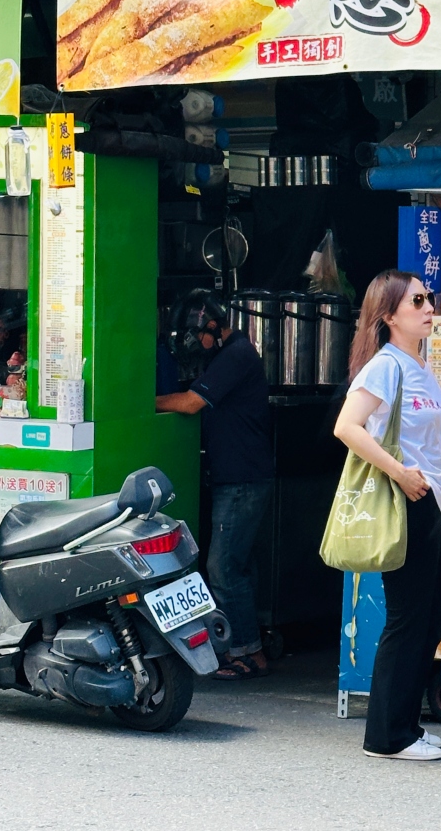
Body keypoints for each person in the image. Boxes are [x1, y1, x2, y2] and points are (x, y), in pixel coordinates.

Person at [334, 270, 441, 762]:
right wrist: (401, 472)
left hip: (434, 505)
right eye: (419, 301)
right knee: (409, 618)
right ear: (388, 316)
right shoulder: (385, 366)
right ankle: (386, 735)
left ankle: (403, 723)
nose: (430, 308)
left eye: (430, 299)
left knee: (434, 615)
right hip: (406, 501)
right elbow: (348, 426)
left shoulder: (420, 366)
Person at [155, 290, 273, 681]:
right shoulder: (231, 354)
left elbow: (190, 403)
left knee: (222, 567)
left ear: (212, 326)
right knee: (236, 565)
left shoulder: (235, 356)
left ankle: (245, 652)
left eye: (196, 337)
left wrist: (144, 401)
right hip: (238, 476)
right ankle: (248, 647)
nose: (194, 346)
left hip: (241, 480)